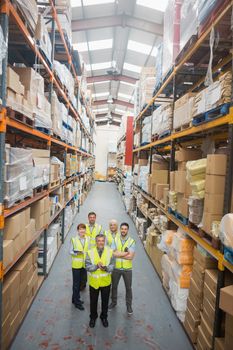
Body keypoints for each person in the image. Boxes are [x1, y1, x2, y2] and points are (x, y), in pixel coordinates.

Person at [85, 234, 115, 328]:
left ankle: (104, 317)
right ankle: (93, 317)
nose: (100, 242)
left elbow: (113, 266)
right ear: (96, 241)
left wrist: (106, 268)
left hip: (106, 282)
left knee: (105, 301)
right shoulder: (90, 252)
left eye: (102, 240)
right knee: (93, 301)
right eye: (99, 241)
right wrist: (96, 266)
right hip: (94, 282)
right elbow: (87, 266)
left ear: (104, 241)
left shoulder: (110, 252)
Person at [109, 222, 136, 315]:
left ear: (127, 230)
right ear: (120, 230)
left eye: (125, 229)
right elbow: (112, 253)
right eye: (122, 229)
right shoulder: (115, 240)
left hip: (127, 269)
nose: (123, 230)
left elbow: (131, 257)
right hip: (116, 268)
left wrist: (119, 254)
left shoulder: (131, 241)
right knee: (114, 286)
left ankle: (129, 305)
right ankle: (113, 302)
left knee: (128, 288)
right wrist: (125, 253)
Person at [70, 223, 90, 310]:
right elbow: (70, 251)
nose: (82, 231)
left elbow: (88, 250)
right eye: (80, 229)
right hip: (76, 265)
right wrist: (76, 252)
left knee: (81, 282)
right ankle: (77, 302)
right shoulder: (73, 240)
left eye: (83, 229)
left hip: (84, 264)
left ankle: (74, 299)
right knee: (76, 284)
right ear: (78, 231)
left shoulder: (87, 239)